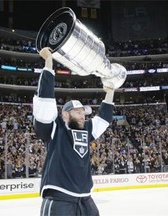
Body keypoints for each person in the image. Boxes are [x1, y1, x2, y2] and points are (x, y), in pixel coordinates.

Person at [33, 47, 115, 216]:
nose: (82, 116)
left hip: (85, 198)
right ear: (65, 115)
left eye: (83, 113)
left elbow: (103, 119)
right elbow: (44, 102)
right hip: (59, 197)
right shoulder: (55, 128)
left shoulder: (87, 129)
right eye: (78, 112)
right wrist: (48, 63)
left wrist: (110, 92)